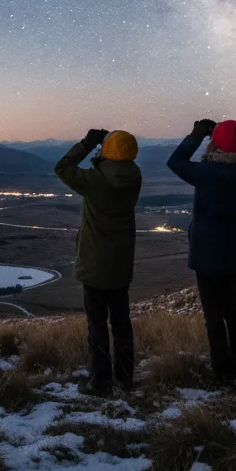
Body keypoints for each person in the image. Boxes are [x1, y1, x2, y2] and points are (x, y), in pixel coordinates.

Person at [55, 128, 142, 397]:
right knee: (121, 322)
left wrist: (87, 144)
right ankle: (125, 379)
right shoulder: (135, 176)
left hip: (94, 263)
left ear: (107, 152)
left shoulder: (95, 179)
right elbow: (113, 172)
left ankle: (100, 382)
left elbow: (62, 167)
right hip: (121, 262)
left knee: (97, 324)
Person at [168, 119, 236, 386]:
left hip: (207, 248)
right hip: (233, 247)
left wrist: (196, 135)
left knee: (213, 313)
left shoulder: (209, 171)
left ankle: (222, 371)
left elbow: (176, 161)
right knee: (231, 309)